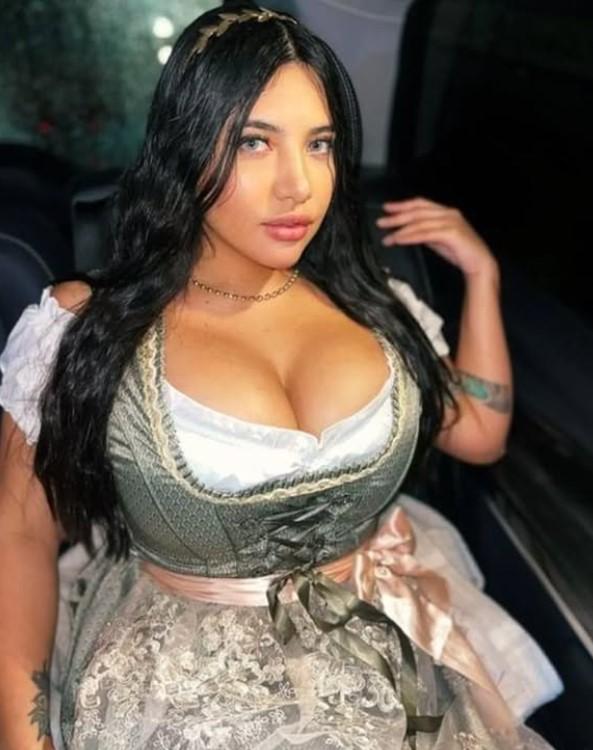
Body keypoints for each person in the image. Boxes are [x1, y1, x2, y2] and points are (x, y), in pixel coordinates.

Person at [0, 3, 562, 748]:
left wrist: (482, 278)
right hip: (182, 690)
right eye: (254, 142)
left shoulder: (373, 305)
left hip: (387, 662)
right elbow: (18, 534)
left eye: (319, 144)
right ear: (186, 145)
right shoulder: (86, 327)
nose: (298, 184)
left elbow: (482, 433)